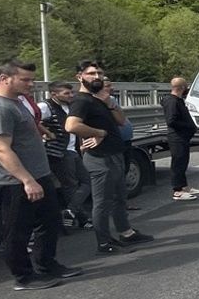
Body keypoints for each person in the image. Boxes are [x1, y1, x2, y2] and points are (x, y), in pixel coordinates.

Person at [0, 59, 83, 289]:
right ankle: (23, 277)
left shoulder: (17, 102)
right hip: (14, 181)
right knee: (17, 230)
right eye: (25, 79)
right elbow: (0, 149)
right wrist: (26, 180)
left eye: (32, 79)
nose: (31, 84)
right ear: (5, 79)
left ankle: (46, 265)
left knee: (50, 221)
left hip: (38, 175)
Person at [65, 61, 153, 253]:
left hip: (114, 155)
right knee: (102, 203)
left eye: (100, 73)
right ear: (79, 77)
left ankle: (126, 233)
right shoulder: (82, 100)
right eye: (91, 73)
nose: (97, 77)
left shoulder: (99, 99)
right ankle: (104, 243)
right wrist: (99, 133)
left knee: (119, 198)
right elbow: (71, 126)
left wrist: (109, 102)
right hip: (99, 159)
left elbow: (121, 121)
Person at [39, 82, 92, 229]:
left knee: (86, 181)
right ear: (54, 94)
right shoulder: (45, 106)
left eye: (71, 93)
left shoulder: (69, 106)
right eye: (66, 93)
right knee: (71, 185)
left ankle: (71, 212)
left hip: (72, 150)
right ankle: (82, 218)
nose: (70, 96)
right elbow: (32, 119)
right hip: (59, 152)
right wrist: (47, 133)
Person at [161, 77, 199, 200]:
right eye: (186, 87)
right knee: (178, 163)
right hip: (177, 137)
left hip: (183, 137)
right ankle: (177, 190)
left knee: (183, 162)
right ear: (182, 88)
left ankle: (184, 186)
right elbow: (171, 121)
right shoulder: (172, 101)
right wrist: (188, 126)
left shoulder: (178, 100)